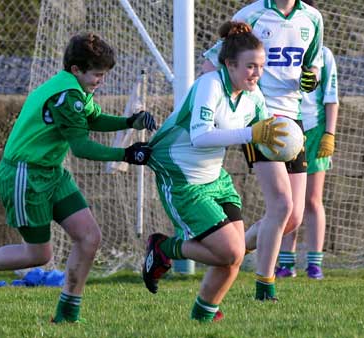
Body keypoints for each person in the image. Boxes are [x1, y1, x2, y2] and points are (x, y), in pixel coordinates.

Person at [0, 33, 156, 324]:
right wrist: (127, 154)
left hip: (51, 172)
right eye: (97, 74)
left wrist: (129, 122)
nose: (100, 81)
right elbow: (81, 147)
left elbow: (92, 119)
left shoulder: (75, 89)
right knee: (38, 254)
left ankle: (67, 315)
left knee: (90, 238)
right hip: (25, 175)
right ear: (77, 70)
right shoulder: (66, 96)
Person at [142, 22, 288, 322]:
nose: (257, 74)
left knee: (233, 257)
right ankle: (165, 247)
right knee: (231, 252)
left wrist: (287, 142)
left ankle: (202, 318)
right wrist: (252, 134)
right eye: (250, 66)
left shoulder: (252, 94)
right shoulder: (210, 84)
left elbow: (264, 132)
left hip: (215, 178)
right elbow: (200, 136)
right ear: (229, 64)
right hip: (182, 177)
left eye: (261, 66)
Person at [202, 0, 324, 300]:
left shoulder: (313, 18)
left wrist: (313, 77)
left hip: (293, 124)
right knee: (281, 205)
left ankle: (231, 251)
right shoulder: (250, 15)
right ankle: (265, 286)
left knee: (293, 218)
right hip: (260, 121)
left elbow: (314, 64)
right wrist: (222, 105)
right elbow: (211, 65)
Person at [275, 0, 339, 280]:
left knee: (312, 200)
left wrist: (329, 134)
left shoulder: (323, 55)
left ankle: (314, 263)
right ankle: (285, 262)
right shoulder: (280, 51)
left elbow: (331, 97)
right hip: (288, 127)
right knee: (287, 201)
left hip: (314, 132)